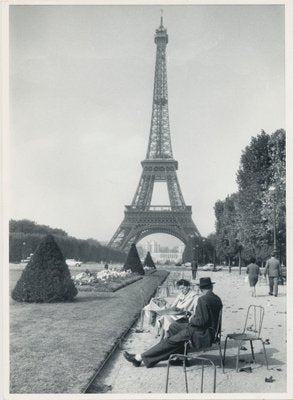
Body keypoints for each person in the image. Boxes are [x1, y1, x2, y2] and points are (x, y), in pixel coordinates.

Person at [123, 277, 222, 368]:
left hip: (202, 332)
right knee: (174, 326)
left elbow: (200, 321)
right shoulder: (217, 299)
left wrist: (191, 318)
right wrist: (191, 317)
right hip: (209, 330)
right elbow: (207, 318)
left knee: (171, 341)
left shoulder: (202, 299)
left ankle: (139, 358)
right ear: (211, 287)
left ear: (201, 289)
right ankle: (180, 358)